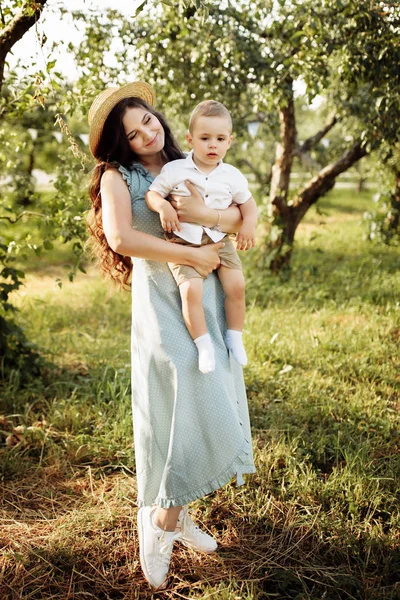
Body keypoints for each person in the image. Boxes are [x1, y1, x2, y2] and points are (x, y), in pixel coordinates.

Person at [87, 81, 255, 590]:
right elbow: (122, 238)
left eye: (148, 120)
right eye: (133, 133)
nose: (146, 133)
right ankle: (158, 522)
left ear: (158, 116)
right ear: (121, 144)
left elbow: (233, 218)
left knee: (206, 394)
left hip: (205, 298)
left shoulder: (193, 165)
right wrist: (189, 254)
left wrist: (212, 221)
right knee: (179, 396)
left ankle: (176, 513)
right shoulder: (118, 177)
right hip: (162, 302)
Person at [145, 100, 258, 374]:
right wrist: (163, 207)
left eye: (220, 139)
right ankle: (203, 343)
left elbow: (249, 205)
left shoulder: (232, 175)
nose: (212, 146)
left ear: (230, 141)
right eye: (205, 138)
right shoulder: (175, 170)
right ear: (190, 139)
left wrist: (248, 227)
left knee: (237, 286)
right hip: (184, 241)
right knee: (191, 291)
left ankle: (235, 336)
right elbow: (153, 193)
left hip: (220, 240)